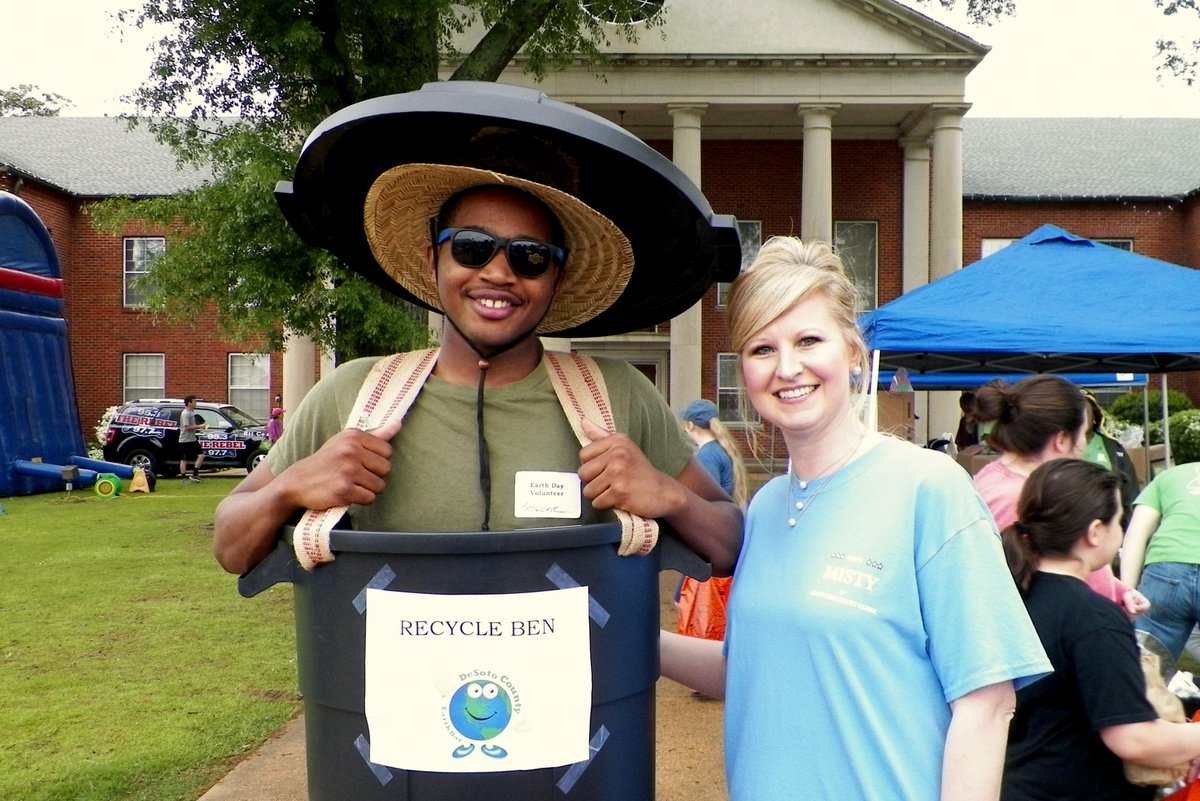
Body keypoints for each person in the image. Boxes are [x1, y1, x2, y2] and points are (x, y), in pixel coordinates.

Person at [211, 130, 743, 579]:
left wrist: (668, 496)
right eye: (471, 246)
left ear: (556, 278)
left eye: (529, 256)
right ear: (432, 259)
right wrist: (288, 489)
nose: (498, 272)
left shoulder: (617, 397)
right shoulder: (353, 397)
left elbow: (728, 541)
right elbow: (231, 548)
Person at [659, 237, 1050, 801]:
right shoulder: (768, 505)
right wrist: (624, 638)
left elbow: (987, 703)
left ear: (852, 352)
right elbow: (748, 670)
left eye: (808, 340)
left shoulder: (928, 488)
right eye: (762, 348)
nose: (787, 367)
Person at [1001, 458, 1200, 801]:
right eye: (1118, 521)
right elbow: (1134, 738)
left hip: (1017, 780)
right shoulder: (1092, 619)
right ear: (1095, 532)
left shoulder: (1012, 596)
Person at [971, 376, 1148, 618]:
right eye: (1084, 433)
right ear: (1062, 439)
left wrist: (1117, 591)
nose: (1086, 443)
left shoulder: (1000, 480)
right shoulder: (1018, 497)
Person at [673, 399, 748, 646]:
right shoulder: (722, 450)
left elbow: (702, 503)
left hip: (707, 541)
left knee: (692, 606)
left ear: (692, 426)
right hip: (724, 535)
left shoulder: (707, 456)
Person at [1120, 462, 1200, 670]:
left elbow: (1135, 533)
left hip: (1165, 573)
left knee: (1145, 673)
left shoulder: (1170, 476)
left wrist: (1126, 592)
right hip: (1167, 569)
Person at [1081, 389, 1141, 527]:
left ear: (1095, 416)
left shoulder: (1113, 448)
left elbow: (1130, 493)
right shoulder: (1057, 447)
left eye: (1085, 412)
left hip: (1109, 525)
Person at [179, 395, 206, 483]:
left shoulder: (191, 412)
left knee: (201, 455)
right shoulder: (186, 413)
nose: (196, 403)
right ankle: (183, 478)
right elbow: (187, 427)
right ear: (189, 403)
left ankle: (195, 474)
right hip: (185, 440)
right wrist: (200, 426)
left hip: (192, 439)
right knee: (184, 459)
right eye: (194, 401)